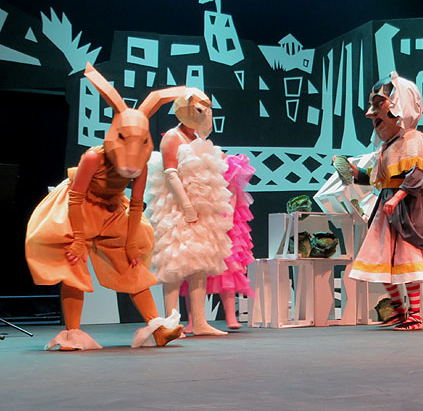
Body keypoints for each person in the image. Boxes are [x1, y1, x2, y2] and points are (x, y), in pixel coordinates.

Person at [25, 64, 185, 350]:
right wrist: (77, 238)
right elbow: (76, 198)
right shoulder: (93, 158)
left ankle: (157, 326)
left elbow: (136, 203)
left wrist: (131, 242)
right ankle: (72, 333)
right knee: (73, 265)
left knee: (131, 264)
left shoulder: (140, 164)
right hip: (78, 209)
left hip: (113, 211)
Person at [343, 72, 423, 331]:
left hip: (407, 208)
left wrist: (398, 197)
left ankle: (415, 315)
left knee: (407, 260)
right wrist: (353, 171)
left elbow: (416, 174)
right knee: (381, 259)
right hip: (388, 207)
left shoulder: (413, 139)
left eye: (379, 104)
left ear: (400, 105)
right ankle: (399, 310)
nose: (371, 114)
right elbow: (378, 178)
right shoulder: (388, 146)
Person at [145, 89, 233, 336]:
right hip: (178, 208)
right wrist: (186, 205)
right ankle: (172, 322)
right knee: (174, 264)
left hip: (202, 209)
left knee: (199, 266)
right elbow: (170, 173)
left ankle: (200, 321)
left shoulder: (195, 138)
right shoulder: (172, 137)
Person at [179, 152, 256, 330]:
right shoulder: (191, 161)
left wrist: (227, 219)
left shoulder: (224, 163)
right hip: (198, 220)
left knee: (227, 268)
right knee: (192, 270)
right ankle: (192, 319)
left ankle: (230, 316)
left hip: (222, 221)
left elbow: (232, 193)